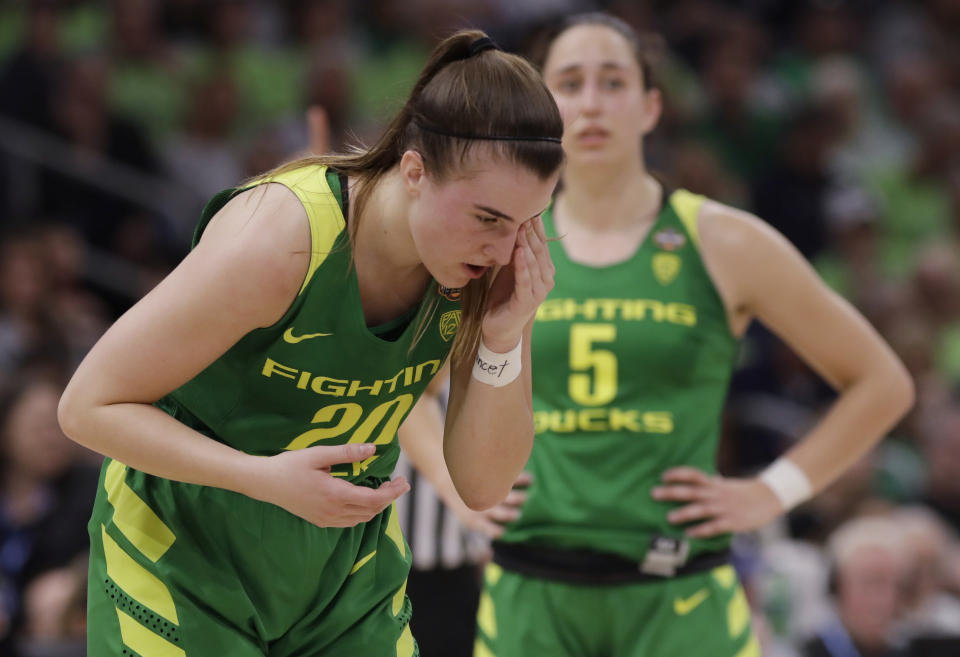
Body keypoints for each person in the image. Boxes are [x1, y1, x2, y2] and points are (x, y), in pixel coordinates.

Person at [56, 29, 564, 657]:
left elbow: (482, 485)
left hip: (341, 576)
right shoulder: (280, 241)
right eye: (488, 217)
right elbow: (86, 407)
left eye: (527, 222)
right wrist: (257, 476)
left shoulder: (481, 271)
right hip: (182, 553)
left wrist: (507, 338)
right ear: (414, 170)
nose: (504, 247)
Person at [466, 13, 913, 657]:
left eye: (613, 81)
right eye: (570, 82)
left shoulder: (724, 241)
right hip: (530, 593)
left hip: (681, 594)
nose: (591, 102)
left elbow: (884, 383)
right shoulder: (500, 238)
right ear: (543, 106)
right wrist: (457, 489)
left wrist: (771, 492)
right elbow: (405, 368)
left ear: (651, 107)